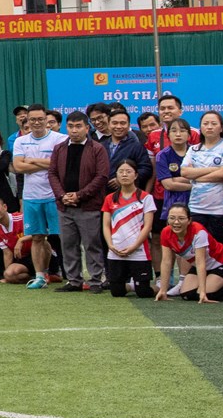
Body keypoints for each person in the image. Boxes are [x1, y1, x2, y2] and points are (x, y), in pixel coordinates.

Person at [47, 111, 109, 292]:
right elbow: (52, 173)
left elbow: (101, 176)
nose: (74, 130)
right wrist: (62, 195)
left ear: (87, 128)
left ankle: (96, 281)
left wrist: (79, 195)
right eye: (71, 126)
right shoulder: (59, 148)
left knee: (92, 245)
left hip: (89, 206)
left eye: (78, 126)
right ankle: (74, 281)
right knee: (68, 245)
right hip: (64, 206)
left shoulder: (97, 148)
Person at [11, 104, 62, 288]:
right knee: (37, 237)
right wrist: (47, 164)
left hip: (54, 195)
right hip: (31, 197)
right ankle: (41, 276)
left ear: (47, 120)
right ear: (27, 121)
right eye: (32, 119)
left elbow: (59, 165)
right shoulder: (20, 141)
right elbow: (18, 167)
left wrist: (32, 160)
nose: (37, 122)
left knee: (64, 237)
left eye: (41, 119)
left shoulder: (59, 139)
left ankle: (74, 275)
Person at [99, 159, 156, 298]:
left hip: (139, 251)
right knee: (116, 292)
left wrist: (134, 246)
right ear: (116, 175)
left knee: (143, 293)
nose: (124, 175)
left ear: (135, 175)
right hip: (116, 251)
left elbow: (148, 226)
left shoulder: (146, 197)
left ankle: (159, 287)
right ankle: (132, 286)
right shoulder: (110, 198)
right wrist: (110, 245)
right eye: (121, 172)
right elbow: (106, 225)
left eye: (128, 171)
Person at [156, 204, 223, 303]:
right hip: (198, 266)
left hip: (220, 264)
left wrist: (202, 292)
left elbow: (200, 262)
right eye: (172, 218)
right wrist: (163, 290)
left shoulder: (198, 231)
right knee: (186, 295)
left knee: (203, 294)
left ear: (189, 220)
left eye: (181, 218)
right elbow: (166, 261)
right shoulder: (165, 232)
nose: (176, 222)